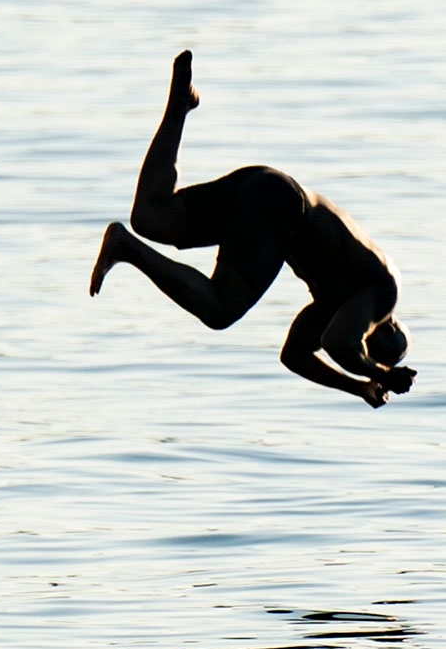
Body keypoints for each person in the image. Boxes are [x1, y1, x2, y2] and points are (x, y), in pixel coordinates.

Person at [89, 51, 416, 408]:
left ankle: (180, 105)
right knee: (219, 309)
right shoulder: (384, 292)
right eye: (372, 339)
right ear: (388, 325)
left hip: (265, 186)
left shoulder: (332, 309)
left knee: (151, 217)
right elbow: (342, 344)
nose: (365, 339)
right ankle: (125, 248)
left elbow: (294, 356)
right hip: (281, 207)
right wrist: (379, 374)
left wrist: (360, 386)